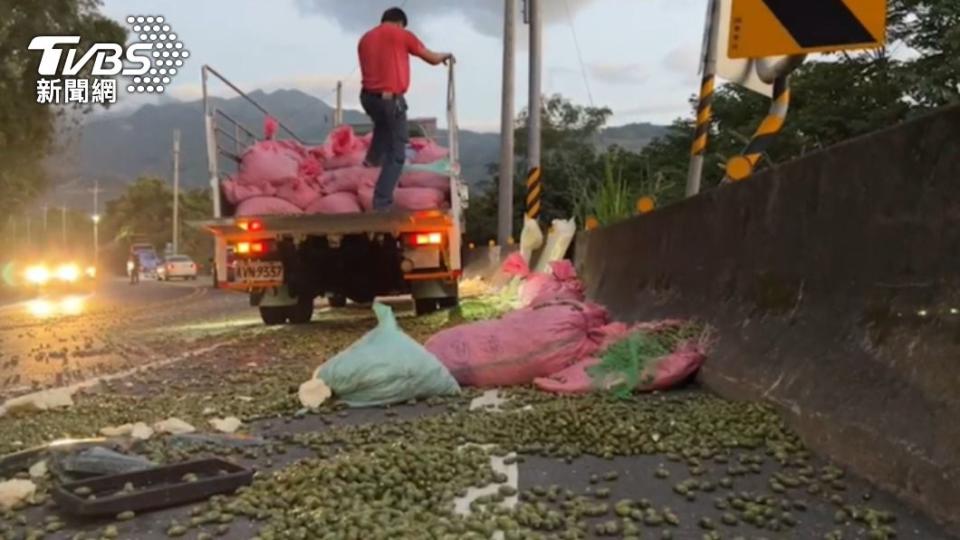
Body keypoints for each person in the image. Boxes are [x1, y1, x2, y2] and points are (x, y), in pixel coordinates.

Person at [357, 7, 453, 210]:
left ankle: (370, 161)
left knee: (383, 128)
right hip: (390, 99)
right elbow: (431, 57)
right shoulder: (402, 35)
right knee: (397, 153)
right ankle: (382, 203)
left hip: (367, 98)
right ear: (400, 23)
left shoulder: (365, 38)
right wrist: (445, 55)